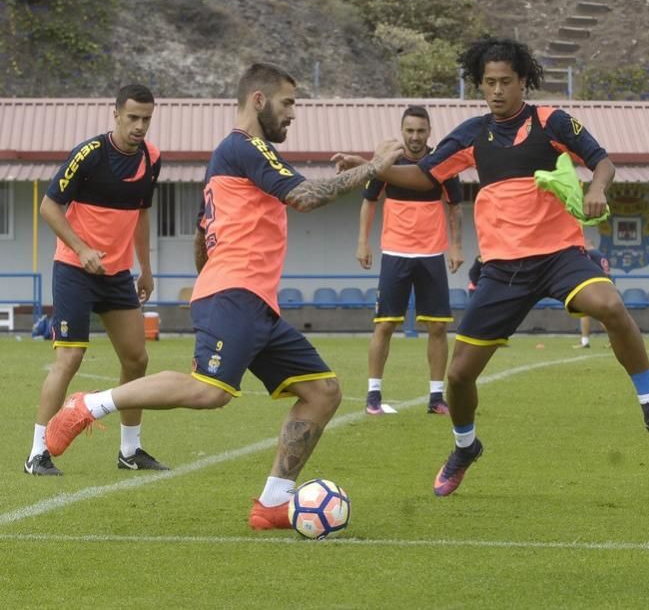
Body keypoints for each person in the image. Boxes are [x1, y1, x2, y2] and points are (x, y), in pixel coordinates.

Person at [45, 63, 404, 529]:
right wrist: (376, 168)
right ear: (258, 100)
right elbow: (307, 197)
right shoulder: (245, 146)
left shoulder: (230, 157)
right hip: (236, 293)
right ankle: (88, 406)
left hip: (249, 299)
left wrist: (210, 286)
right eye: (288, 103)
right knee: (210, 391)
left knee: (322, 392)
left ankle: (273, 503)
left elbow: (201, 234)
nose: (293, 114)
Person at [334, 36, 649, 497]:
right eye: (488, 83)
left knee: (609, 305)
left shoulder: (553, 122)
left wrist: (597, 187)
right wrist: (371, 169)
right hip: (502, 269)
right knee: (460, 376)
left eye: (505, 81)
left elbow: (602, 162)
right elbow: (424, 176)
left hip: (560, 255)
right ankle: (465, 447)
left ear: (524, 81)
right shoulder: (470, 134)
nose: (496, 90)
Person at [24, 84, 167, 476]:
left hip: (118, 274)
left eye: (147, 119)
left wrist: (146, 268)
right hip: (75, 269)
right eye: (133, 117)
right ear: (116, 114)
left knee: (137, 359)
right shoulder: (89, 154)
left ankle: (130, 451)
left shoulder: (152, 158)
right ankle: (37, 453)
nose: (140, 126)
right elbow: (49, 206)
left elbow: (140, 213)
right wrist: (82, 248)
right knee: (70, 357)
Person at [356, 105, 464, 416]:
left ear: (429, 132)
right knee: (386, 324)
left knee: (438, 328)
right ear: (402, 131)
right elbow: (369, 202)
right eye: (409, 130)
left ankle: (436, 397)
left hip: (432, 254)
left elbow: (455, 207)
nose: (415, 136)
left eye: (420, 130)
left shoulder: (441, 163)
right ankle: (373, 395)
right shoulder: (388, 163)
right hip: (395, 253)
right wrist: (363, 243)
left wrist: (456, 247)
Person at [574, 239, 611, 348]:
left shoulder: (589, 254)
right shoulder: (601, 255)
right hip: (605, 284)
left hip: (595, 286)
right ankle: (585, 341)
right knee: (590, 314)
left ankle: (585, 341)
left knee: (592, 314)